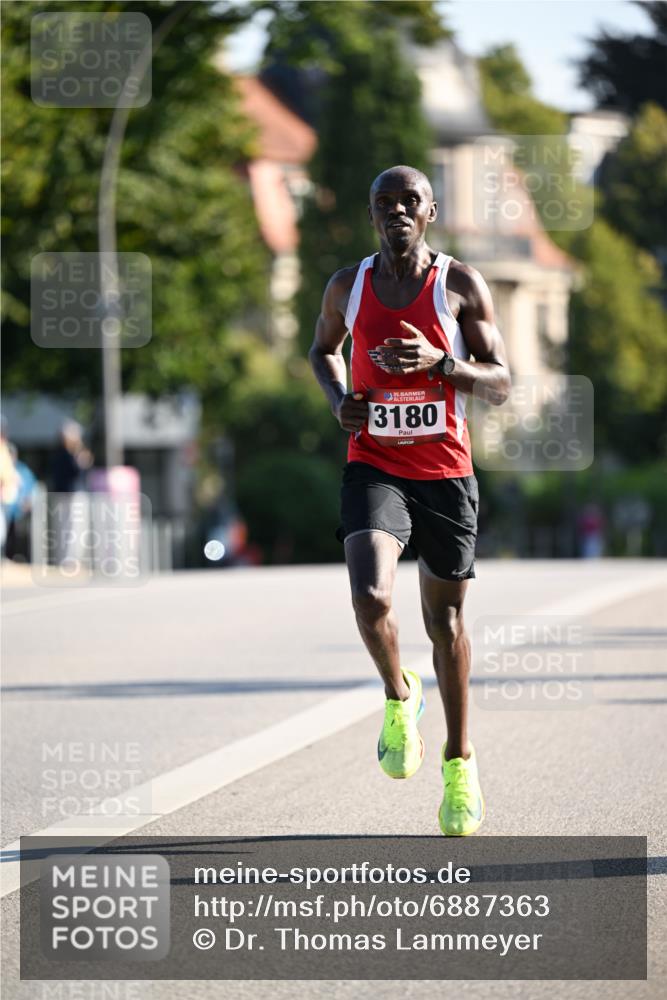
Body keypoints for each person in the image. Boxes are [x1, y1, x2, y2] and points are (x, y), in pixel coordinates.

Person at [309, 165, 510, 836]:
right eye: (383, 203)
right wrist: (340, 403)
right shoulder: (348, 285)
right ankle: (399, 697)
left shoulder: (459, 284)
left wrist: (439, 363)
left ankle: (458, 759)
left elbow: (502, 382)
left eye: (408, 201)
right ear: (371, 215)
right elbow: (321, 351)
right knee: (370, 597)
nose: (396, 211)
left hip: (446, 473)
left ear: (430, 211)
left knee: (444, 624)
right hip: (375, 463)